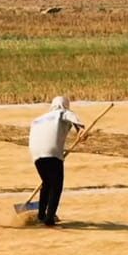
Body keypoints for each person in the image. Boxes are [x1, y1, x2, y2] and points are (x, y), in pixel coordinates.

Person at [29, 96, 85, 227]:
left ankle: (41, 215)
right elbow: (72, 118)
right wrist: (80, 129)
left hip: (36, 155)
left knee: (47, 183)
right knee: (56, 186)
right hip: (52, 153)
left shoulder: (37, 120)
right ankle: (49, 219)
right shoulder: (62, 112)